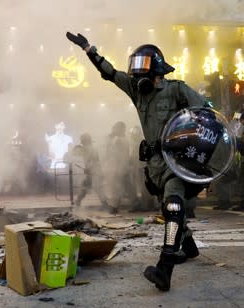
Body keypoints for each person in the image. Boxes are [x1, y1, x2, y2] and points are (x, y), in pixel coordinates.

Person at [67, 32, 207, 291]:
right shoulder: (137, 91)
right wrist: (88, 49)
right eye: (135, 70)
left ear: (157, 70)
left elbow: (205, 114)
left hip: (176, 160)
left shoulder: (177, 89)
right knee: (167, 207)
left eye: (142, 69)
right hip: (154, 164)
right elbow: (110, 73)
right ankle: (189, 247)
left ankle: (165, 269)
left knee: (174, 207)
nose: (136, 76)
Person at [73, 133, 109, 208]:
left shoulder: (91, 149)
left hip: (95, 171)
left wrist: (89, 169)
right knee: (85, 186)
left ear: (85, 140)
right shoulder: (87, 148)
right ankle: (78, 201)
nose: (81, 142)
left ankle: (105, 203)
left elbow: (94, 161)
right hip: (92, 171)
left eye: (82, 140)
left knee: (97, 187)